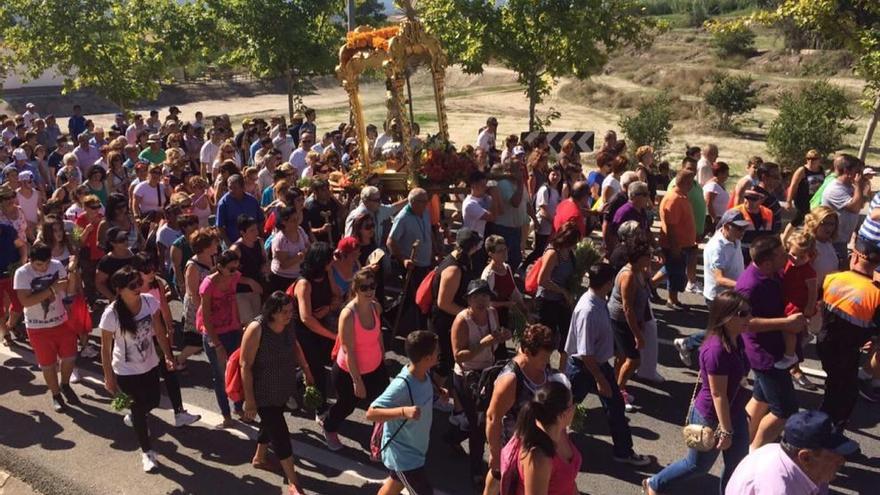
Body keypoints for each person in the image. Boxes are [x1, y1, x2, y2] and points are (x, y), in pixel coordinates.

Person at [645, 290, 752, 494]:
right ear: (726, 316)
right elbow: (717, 394)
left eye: (749, 312)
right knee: (697, 465)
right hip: (712, 415)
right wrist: (726, 430)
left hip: (734, 410)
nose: (749, 318)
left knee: (737, 465)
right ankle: (655, 484)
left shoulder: (737, 339)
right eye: (743, 314)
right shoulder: (715, 350)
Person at [564, 263, 651, 467]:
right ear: (606, 283)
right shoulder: (589, 310)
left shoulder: (598, 300)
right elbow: (585, 352)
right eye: (611, 280)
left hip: (596, 366)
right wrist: (600, 378)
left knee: (614, 407)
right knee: (562, 408)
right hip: (586, 368)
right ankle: (546, 444)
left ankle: (623, 450)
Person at [99, 267, 176, 472]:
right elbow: (105, 349)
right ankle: (147, 452)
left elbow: (158, 331)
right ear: (119, 290)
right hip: (125, 371)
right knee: (139, 410)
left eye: (138, 283)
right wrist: (108, 377)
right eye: (132, 285)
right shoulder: (111, 315)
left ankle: (136, 415)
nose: (138, 288)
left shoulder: (150, 302)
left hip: (149, 364)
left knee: (153, 401)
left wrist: (168, 356)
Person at [736, 235, 807, 450]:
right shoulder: (749, 286)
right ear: (767, 262)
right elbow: (745, 323)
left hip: (773, 348)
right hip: (765, 356)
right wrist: (786, 323)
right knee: (784, 410)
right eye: (781, 254)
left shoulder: (771, 273)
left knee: (760, 398)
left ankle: (740, 443)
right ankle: (754, 453)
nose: (786, 255)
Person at [240, 291, 312, 495]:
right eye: (284, 312)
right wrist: (250, 401)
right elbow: (245, 365)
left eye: (291, 311)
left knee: (270, 423)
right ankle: (294, 482)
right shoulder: (257, 328)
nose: (289, 315)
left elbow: (295, 345)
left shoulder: (288, 324)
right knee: (280, 434)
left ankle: (260, 458)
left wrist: (306, 369)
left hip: (282, 387)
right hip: (263, 392)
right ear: (272, 312)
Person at [450, 279, 511, 485]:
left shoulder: (492, 313)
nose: (481, 300)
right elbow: (459, 356)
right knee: (479, 423)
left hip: (488, 373)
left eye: (484, 295)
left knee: (478, 419)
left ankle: (450, 438)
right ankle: (476, 470)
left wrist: (503, 336)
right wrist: (483, 343)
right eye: (476, 296)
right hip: (467, 376)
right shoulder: (462, 321)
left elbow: (497, 340)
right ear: (468, 299)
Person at [484, 324, 557, 495]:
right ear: (526, 351)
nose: (546, 362)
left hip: (534, 446)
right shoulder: (510, 380)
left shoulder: (543, 368)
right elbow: (492, 418)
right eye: (543, 358)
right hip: (511, 450)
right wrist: (495, 455)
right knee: (501, 482)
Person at [367, 330, 442, 495]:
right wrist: (403, 411)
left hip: (415, 448)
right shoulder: (401, 386)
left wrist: (438, 392)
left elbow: (421, 391)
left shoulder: (424, 373)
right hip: (404, 456)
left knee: (395, 484)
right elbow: (371, 413)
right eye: (437, 351)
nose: (439, 353)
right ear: (427, 358)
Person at [323, 269, 389, 450]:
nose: (369, 291)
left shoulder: (376, 306)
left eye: (372, 286)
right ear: (356, 289)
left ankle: (379, 437)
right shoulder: (348, 315)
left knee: (382, 403)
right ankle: (329, 427)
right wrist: (357, 381)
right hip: (349, 372)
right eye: (364, 287)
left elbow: (378, 334)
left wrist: (382, 352)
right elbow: (348, 349)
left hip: (375, 367)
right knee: (347, 406)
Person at [818, 237, 880, 427]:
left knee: (833, 384)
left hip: (825, 342)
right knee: (845, 392)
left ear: (854, 258)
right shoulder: (876, 293)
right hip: (849, 349)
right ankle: (831, 428)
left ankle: (826, 422)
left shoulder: (832, 278)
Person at [674, 209, 748, 366]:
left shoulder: (735, 239)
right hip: (719, 298)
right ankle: (690, 345)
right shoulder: (717, 248)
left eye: (744, 228)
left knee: (726, 330)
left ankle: (690, 345)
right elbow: (719, 278)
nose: (743, 232)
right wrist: (745, 284)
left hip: (733, 294)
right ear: (727, 226)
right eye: (739, 228)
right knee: (723, 331)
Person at [725, 410, 859, 495]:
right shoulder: (779, 489)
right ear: (805, 457)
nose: (842, 461)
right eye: (834, 454)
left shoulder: (809, 468)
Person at [14, 241, 79, 412]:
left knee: (70, 358)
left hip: (62, 322)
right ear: (30, 260)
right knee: (48, 365)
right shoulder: (22, 273)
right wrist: (52, 290)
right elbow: (25, 301)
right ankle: (56, 394)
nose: (43, 268)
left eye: (46, 263)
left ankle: (65, 384)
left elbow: (67, 290)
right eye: (38, 265)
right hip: (37, 328)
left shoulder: (57, 266)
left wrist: (72, 272)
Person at [502, 380, 579, 495]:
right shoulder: (538, 457)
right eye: (572, 405)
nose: (574, 408)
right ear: (562, 415)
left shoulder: (560, 432)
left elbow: (569, 481)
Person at [197, 249, 246, 427]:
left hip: (232, 330)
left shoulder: (234, 277)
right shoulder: (208, 285)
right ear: (220, 267)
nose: (235, 272)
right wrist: (216, 343)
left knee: (236, 371)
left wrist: (239, 326)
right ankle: (226, 414)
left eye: (236, 268)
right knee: (220, 375)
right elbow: (206, 318)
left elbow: (234, 304)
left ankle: (238, 407)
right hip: (214, 333)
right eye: (231, 269)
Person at [289, 242, 338, 420]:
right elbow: (306, 318)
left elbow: (337, 296)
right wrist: (333, 336)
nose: (332, 262)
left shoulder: (327, 273)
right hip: (303, 332)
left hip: (320, 326)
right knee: (316, 369)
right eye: (329, 260)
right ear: (320, 262)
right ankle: (321, 409)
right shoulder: (304, 284)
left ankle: (289, 384)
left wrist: (328, 308)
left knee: (314, 364)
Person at [432, 228, 484, 393]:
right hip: (445, 321)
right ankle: (434, 394)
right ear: (473, 247)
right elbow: (444, 303)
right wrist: (468, 314)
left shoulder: (462, 259)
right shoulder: (453, 269)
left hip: (452, 319)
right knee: (444, 361)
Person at [608, 242, 653, 412]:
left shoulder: (638, 271)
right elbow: (627, 309)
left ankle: (615, 387)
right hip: (621, 321)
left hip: (630, 320)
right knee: (633, 359)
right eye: (647, 256)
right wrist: (637, 335)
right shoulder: (628, 276)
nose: (650, 258)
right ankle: (618, 394)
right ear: (638, 258)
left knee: (621, 356)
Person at [535, 222, 579, 367]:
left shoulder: (569, 252)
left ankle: (562, 371)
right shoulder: (553, 253)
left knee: (566, 339)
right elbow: (542, 280)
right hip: (548, 302)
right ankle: (544, 368)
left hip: (562, 302)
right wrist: (562, 291)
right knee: (546, 340)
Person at [775, 232, 817, 370]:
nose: (796, 259)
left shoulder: (808, 271)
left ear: (810, 255)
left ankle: (790, 355)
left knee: (789, 328)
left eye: (802, 256)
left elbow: (812, 291)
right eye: (793, 254)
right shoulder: (788, 263)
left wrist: (810, 307)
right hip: (788, 298)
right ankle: (804, 334)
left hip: (797, 303)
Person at [821, 154, 869, 264]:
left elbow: (861, 204)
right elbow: (855, 207)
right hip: (833, 240)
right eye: (858, 172)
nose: (860, 175)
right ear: (847, 171)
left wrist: (862, 188)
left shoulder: (849, 186)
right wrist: (858, 187)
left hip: (842, 240)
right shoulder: (835, 189)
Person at [659, 169, 697, 309]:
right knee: (675, 273)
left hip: (683, 244)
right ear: (685, 182)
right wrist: (675, 247)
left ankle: (651, 284)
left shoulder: (681, 196)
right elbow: (671, 226)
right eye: (691, 182)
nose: (692, 185)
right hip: (676, 245)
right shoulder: (673, 199)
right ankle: (672, 300)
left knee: (671, 269)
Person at [523, 166, 562, 270]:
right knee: (539, 251)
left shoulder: (557, 191)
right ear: (548, 175)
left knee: (545, 251)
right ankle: (523, 268)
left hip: (552, 228)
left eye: (558, 175)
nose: (555, 177)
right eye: (553, 174)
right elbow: (542, 210)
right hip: (543, 226)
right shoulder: (545, 190)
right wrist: (554, 222)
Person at [229, 215, 266, 324]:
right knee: (249, 323)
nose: (256, 232)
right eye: (252, 230)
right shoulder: (236, 249)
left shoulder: (259, 242)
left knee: (258, 321)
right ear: (242, 232)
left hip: (256, 288)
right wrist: (249, 282)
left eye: (256, 229)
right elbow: (229, 273)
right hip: (241, 291)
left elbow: (264, 259)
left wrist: (265, 266)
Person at [269, 206, 310, 293]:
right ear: (284, 222)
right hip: (282, 279)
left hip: (298, 275)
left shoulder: (300, 230)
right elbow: (284, 265)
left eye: (297, 219)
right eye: (293, 220)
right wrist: (300, 256)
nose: (296, 223)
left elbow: (308, 245)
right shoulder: (280, 240)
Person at [216, 174, 263, 245]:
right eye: (229, 188)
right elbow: (220, 226)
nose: (231, 190)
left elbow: (260, 220)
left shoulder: (252, 201)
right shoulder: (223, 203)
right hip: (233, 243)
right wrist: (228, 243)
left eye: (235, 188)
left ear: (242, 187)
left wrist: (259, 237)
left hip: (253, 243)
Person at [787, 150, 826, 227]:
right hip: (802, 200)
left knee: (812, 221)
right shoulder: (802, 170)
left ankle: (806, 236)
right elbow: (793, 185)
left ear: (819, 160)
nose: (811, 161)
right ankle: (785, 237)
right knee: (798, 219)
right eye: (808, 158)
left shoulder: (821, 170)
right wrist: (789, 201)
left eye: (814, 159)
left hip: (815, 199)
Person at [95, 227, 135, 302]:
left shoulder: (133, 255)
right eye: (121, 240)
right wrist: (113, 298)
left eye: (126, 238)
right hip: (119, 301)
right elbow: (99, 283)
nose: (125, 241)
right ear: (112, 243)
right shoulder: (106, 261)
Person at [703, 162, 730, 230]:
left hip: (721, 218)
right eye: (726, 173)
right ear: (720, 173)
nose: (728, 176)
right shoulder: (713, 186)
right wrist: (714, 218)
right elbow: (708, 203)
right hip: (713, 220)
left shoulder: (720, 184)